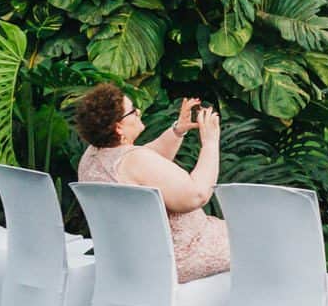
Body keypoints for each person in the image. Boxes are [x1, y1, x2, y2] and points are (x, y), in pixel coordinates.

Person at [73, 85, 230, 283]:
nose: (138, 111)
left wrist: (178, 130)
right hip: (182, 255)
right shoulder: (134, 161)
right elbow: (196, 195)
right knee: (259, 238)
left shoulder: (93, 156)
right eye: (132, 110)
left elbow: (147, 163)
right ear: (118, 126)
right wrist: (210, 143)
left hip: (132, 259)